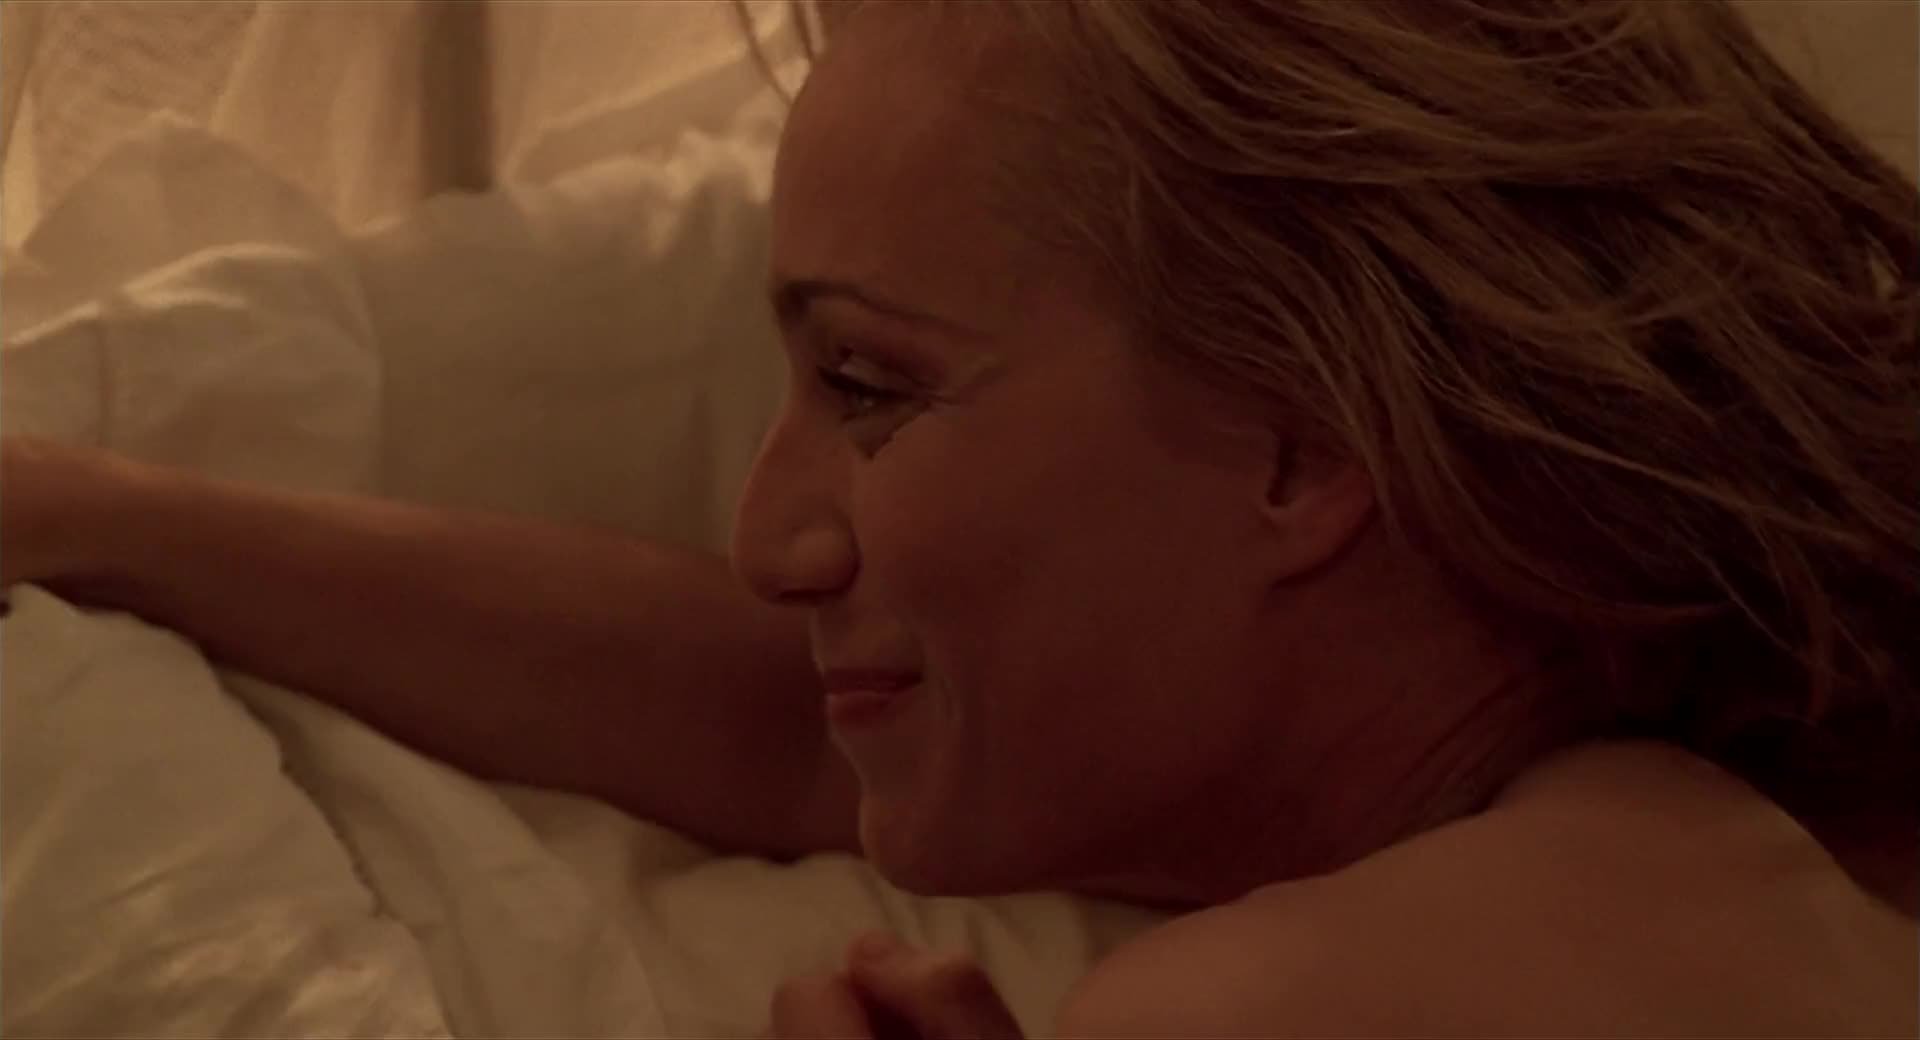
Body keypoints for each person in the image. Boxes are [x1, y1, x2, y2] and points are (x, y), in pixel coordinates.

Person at [5, 1, 1916, 1035]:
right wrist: (108, 513)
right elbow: (785, 722)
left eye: (868, 384)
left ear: (1301, 449)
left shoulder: (1280, 996)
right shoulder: (1661, 815)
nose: (769, 537)